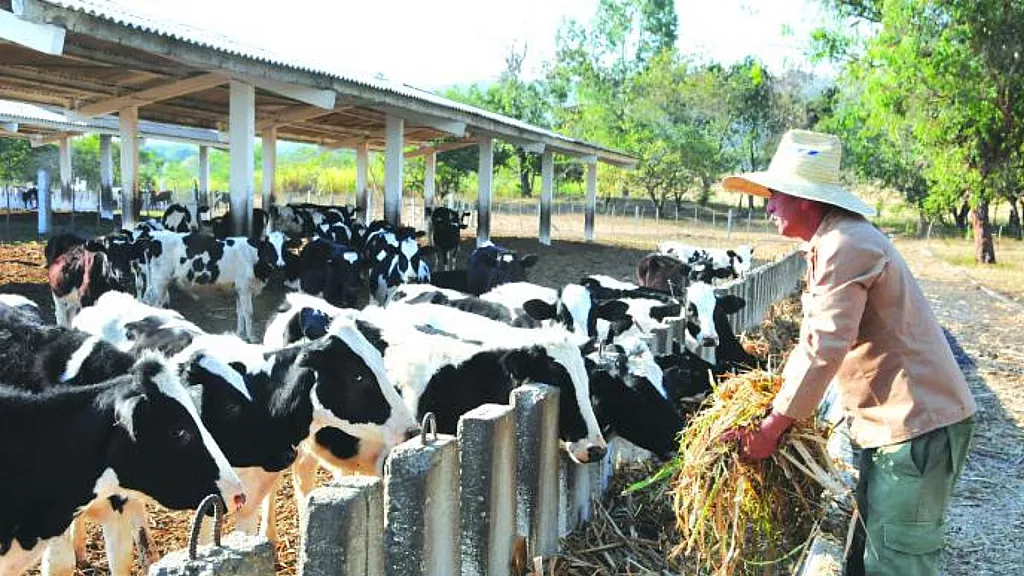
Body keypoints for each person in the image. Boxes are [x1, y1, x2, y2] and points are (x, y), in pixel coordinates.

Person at [721, 129, 976, 576]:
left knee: (898, 563)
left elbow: (825, 348)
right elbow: (812, 342)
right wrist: (773, 402)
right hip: (893, 425)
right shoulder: (829, 243)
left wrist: (774, 426)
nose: (768, 205)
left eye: (775, 194)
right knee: (874, 551)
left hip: (916, 425)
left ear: (804, 199)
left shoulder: (846, 245)